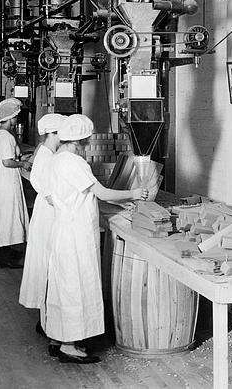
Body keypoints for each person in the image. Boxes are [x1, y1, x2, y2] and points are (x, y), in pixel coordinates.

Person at [42, 114, 144, 364]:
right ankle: (69, 346)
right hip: (75, 235)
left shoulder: (56, 160)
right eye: (86, 141)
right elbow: (101, 192)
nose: (87, 145)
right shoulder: (74, 163)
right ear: (80, 140)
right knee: (75, 287)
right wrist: (135, 193)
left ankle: (58, 338)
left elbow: (56, 196)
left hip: (62, 230)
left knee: (62, 287)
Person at [18, 113, 65, 326]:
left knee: (48, 264)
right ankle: (47, 321)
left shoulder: (47, 153)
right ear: (54, 133)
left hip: (47, 212)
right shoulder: (47, 156)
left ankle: (46, 320)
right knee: (49, 264)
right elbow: (47, 189)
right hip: (49, 214)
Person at [0, 99, 30, 269]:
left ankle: (1, 253)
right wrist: (23, 164)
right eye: (16, 117)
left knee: (1, 215)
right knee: (7, 215)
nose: (17, 121)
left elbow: (4, 157)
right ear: (11, 118)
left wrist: (20, 158)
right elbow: (7, 162)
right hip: (6, 180)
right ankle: (4, 257)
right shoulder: (6, 136)